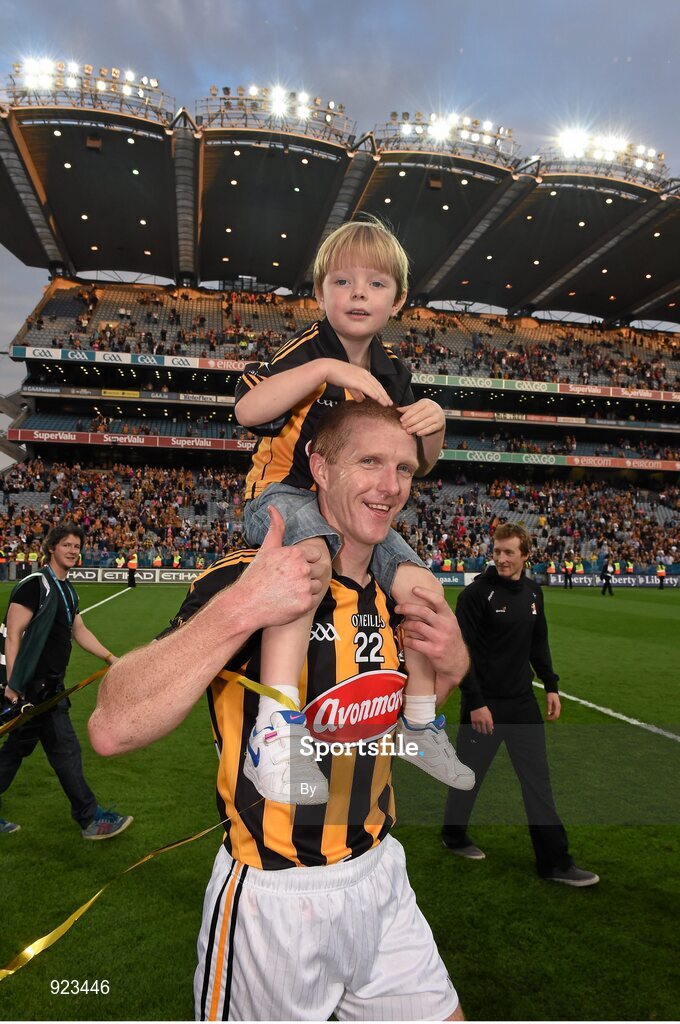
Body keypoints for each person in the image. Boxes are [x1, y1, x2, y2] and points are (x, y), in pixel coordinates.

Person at [89, 402, 469, 1021]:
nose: (390, 485)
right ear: (317, 466)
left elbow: (383, 725)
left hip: (381, 875)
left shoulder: (396, 589)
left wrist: (450, 666)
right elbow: (111, 727)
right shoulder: (251, 579)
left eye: (402, 467)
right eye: (369, 461)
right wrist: (242, 609)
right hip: (276, 895)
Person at [234, 218, 468, 806]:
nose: (358, 293)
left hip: (348, 507)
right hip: (283, 496)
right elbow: (245, 410)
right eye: (343, 281)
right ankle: (275, 732)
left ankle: (417, 724)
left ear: (398, 299)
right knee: (307, 564)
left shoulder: (393, 370)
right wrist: (326, 371)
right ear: (320, 294)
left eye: (375, 283)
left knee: (420, 587)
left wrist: (433, 427)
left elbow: (419, 462)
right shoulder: (308, 351)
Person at [441, 523, 599, 887]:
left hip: (522, 703)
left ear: (526, 555)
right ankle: (453, 834)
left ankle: (554, 862)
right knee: (468, 778)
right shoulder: (476, 595)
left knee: (537, 783)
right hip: (485, 707)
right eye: (497, 551)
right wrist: (476, 703)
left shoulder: (532, 592)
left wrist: (551, 686)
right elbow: (460, 654)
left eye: (509, 552)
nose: (501, 559)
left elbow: (538, 641)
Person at [0, 522, 133, 839]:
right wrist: (12, 686)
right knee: (60, 751)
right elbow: (13, 634)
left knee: (22, 752)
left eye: (77, 546)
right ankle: (90, 819)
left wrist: (111, 658)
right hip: (30, 690)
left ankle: (90, 818)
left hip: (51, 691)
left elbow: (79, 631)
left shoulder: (68, 590)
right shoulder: (34, 585)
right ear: (51, 548)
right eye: (67, 545)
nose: (73, 551)